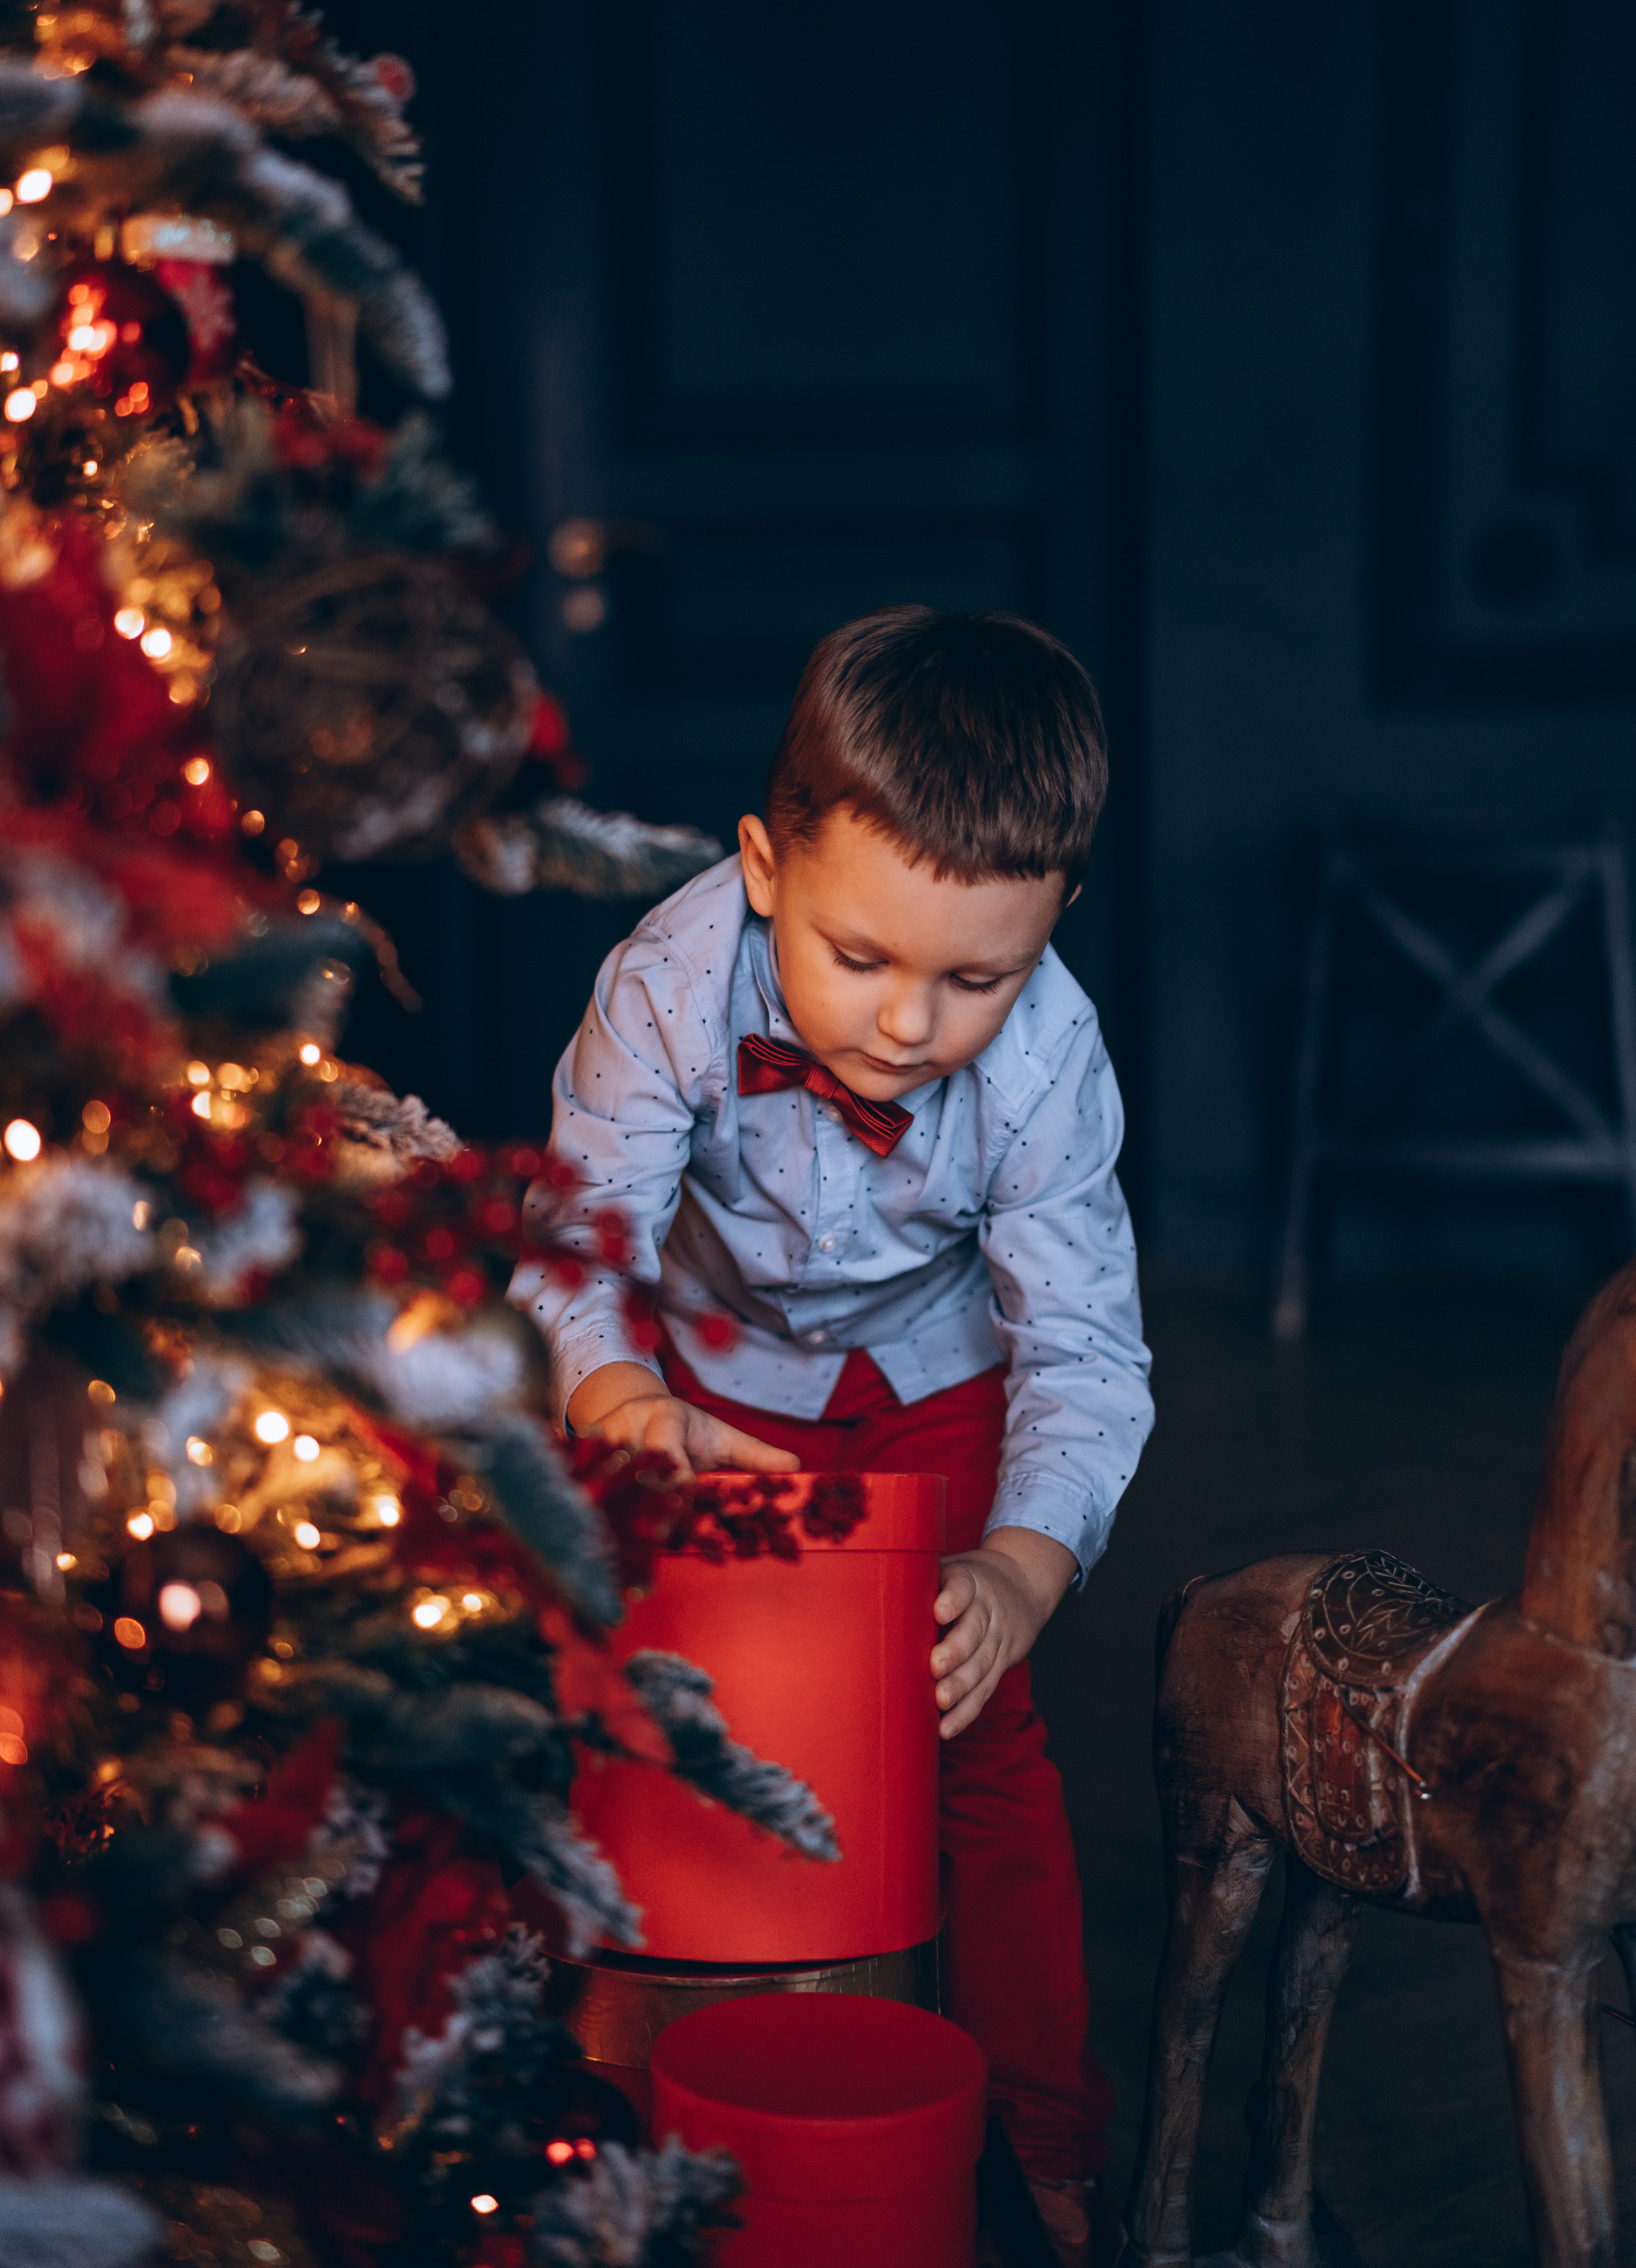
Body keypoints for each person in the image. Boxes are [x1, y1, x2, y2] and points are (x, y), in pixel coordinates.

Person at [512, 606, 1153, 2268]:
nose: (904, 1027)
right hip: (689, 1374)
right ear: (761, 867)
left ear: (1051, 925)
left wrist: (1018, 1567)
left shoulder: (1051, 1061)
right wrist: (619, 1397)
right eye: (858, 959)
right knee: (615, 1695)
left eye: (973, 980)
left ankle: (1040, 2129)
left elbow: (1081, 1340)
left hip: (925, 1381)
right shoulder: (663, 980)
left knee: (979, 1746)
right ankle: (558, 2090)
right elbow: (577, 1238)